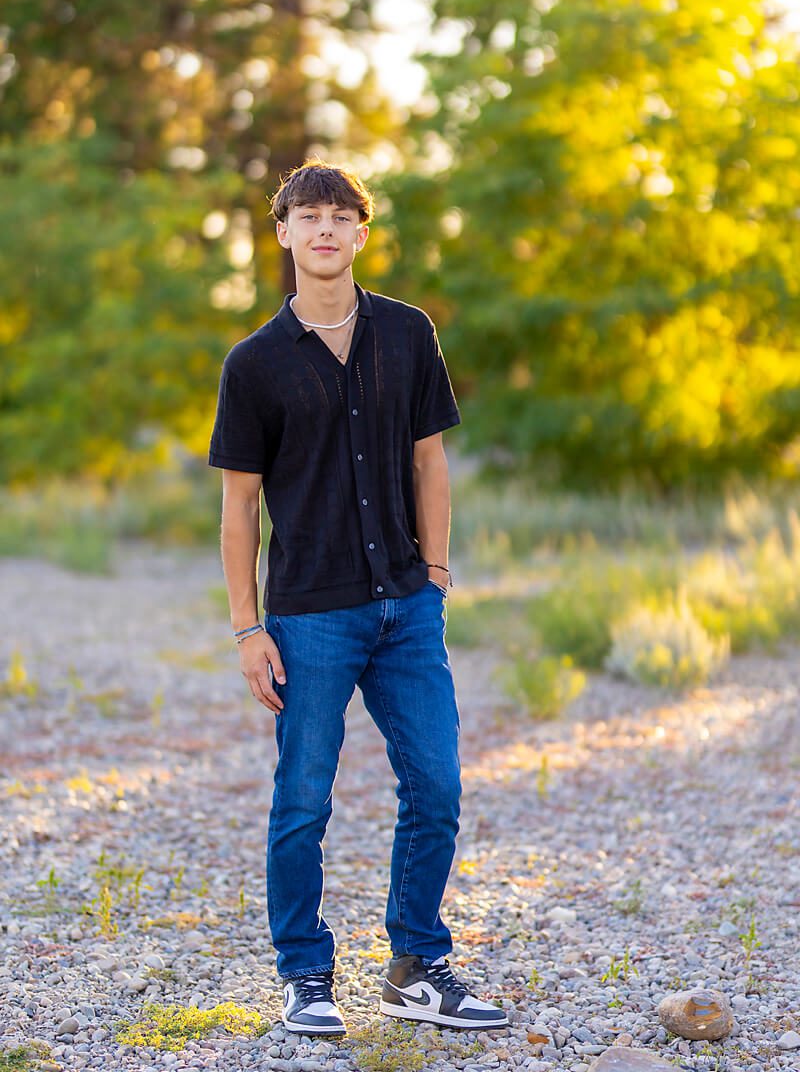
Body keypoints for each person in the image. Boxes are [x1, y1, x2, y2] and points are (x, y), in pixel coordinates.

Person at [208, 158, 508, 1036]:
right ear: (285, 235)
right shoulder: (255, 363)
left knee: (439, 787)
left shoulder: (410, 334)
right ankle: (305, 975)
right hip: (308, 617)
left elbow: (429, 463)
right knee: (303, 797)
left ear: (363, 234)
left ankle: (416, 965)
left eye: (343, 216)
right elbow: (238, 507)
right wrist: (245, 629)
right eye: (310, 216)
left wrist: (439, 575)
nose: (327, 230)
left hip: (408, 608)